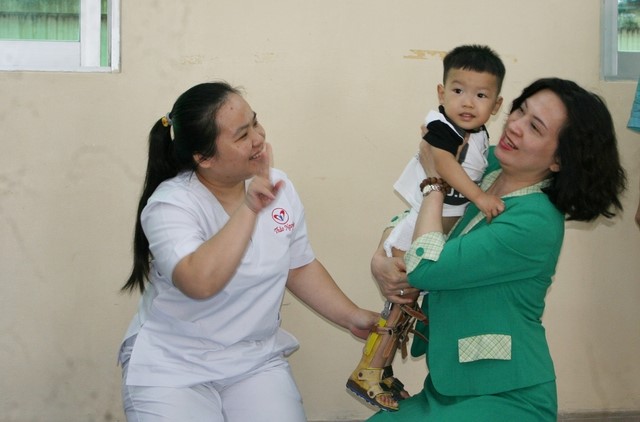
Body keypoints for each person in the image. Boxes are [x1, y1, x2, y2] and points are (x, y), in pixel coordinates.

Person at [367, 78, 626, 421]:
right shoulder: (485, 163)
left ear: (559, 160)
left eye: (535, 127)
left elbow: (427, 268)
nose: (515, 126)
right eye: (520, 110)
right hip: (448, 386)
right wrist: (381, 257)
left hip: (506, 395)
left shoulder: (535, 221)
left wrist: (435, 182)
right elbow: (413, 217)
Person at [117, 81, 378, 422]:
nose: (258, 138)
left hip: (252, 360)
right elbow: (199, 282)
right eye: (242, 135)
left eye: (255, 122)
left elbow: (297, 266)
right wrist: (249, 209)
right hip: (173, 365)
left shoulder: (279, 187)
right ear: (203, 158)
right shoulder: (171, 205)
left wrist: (351, 315)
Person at [347, 45, 506, 412]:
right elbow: (443, 165)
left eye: (481, 95)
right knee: (400, 303)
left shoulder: (477, 133)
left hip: (434, 230)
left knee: (405, 303)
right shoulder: (442, 127)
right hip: (418, 227)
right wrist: (479, 197)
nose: (468, 102)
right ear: (441, 92)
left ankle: (380, 369)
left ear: (496, 105)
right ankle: (368, 372)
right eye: (458, 90)